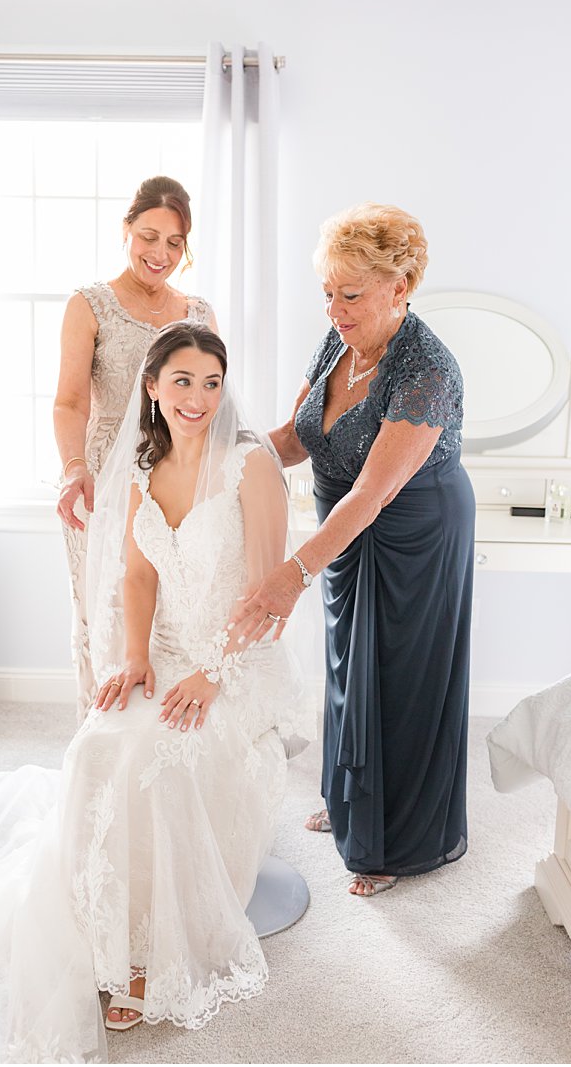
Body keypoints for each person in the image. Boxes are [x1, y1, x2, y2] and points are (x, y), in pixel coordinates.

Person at [0, 324, 309, 1061]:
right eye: (182, 381)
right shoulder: (146, 468)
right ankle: (101, 929)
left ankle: (141, 949)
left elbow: (265, 599)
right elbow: (137, 577)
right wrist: (130, 658)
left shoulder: (250, 466)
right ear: (152, 387)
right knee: (100, 743)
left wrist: (211, 676)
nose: (198, 397)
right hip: (162, 654)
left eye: (211, 382)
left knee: (159, 755)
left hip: (234, 666)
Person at [230, 203, 473, 897]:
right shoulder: (337, 341)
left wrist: (292, 573)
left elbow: (370, 493)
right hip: (345, 532)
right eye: (328, 292)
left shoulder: (427, 368)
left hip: (412, 533)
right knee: (350, 668)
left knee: (399, 679)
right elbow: (295, 436)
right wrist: (216, 458)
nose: (335, 307)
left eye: (352, 293)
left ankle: (396, 840)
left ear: (401, 287)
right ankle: (349, 804)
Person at [54, 176, 217, 713]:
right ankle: (97, 746)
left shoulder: (198, 313)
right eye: (150, 236)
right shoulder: (89, 305)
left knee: (174, 610)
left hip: (179, 479)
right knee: (105, 611)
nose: (161, 253)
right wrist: (74, 467)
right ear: (126, 230)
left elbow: (213, 401)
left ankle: (166, 753)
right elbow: (71, 403)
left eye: (175, 243)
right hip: (105, 480)